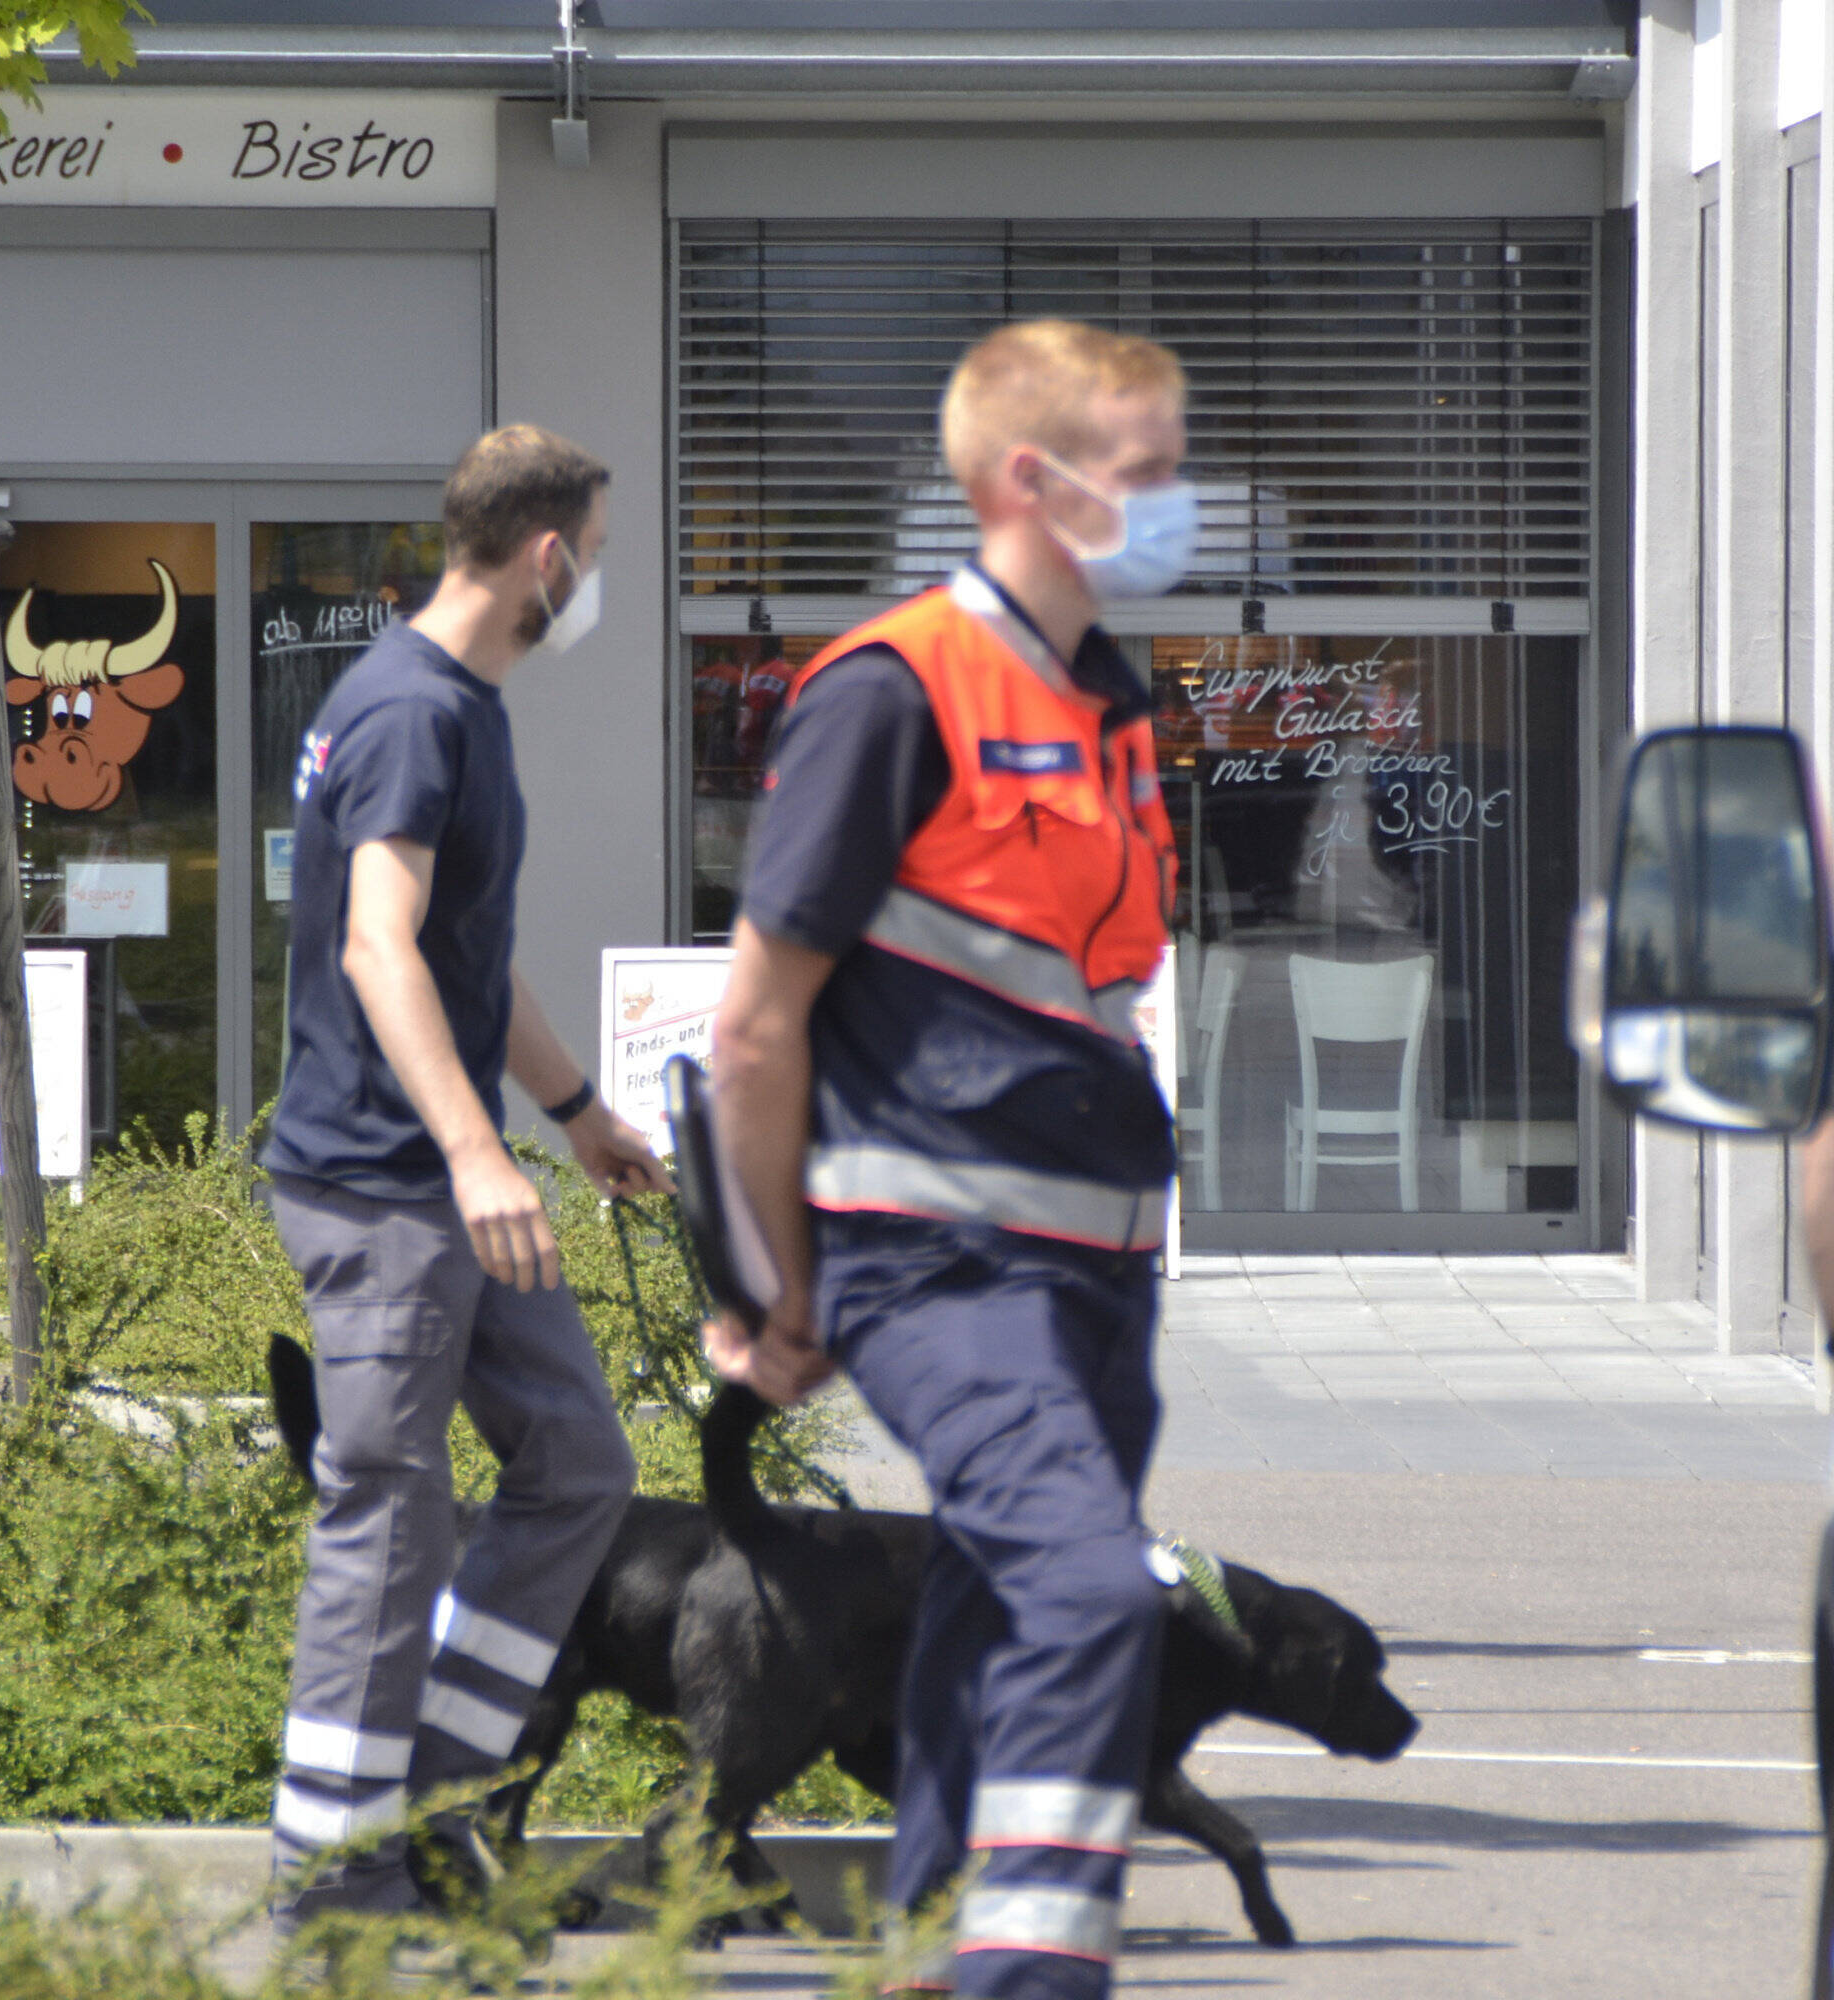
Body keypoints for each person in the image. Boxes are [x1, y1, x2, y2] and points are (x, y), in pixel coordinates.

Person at [701, 318, 1191, 2000]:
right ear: (1027, 482)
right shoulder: (895, 690)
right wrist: (771, 1287)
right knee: (1088, 1595)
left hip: (1094, 1271)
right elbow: (755, 1029)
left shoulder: (1111, 711)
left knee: (994, 1611)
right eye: (1152, 471)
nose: (1182, 502)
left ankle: (921, 1949)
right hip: (941, 1258)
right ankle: (1023, 1977)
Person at [258, 424, 670, 1923]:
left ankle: (436, 1796)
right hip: (384, 1192)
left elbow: (461, 958)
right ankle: (328, 1875)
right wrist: (473, 1148)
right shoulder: (414, 716)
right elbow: (378, 944)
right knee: (387, 1515)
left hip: (441, 1183)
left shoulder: (461, 705)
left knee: (577, 1463)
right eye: (600, 558)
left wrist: (570, 1111)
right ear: (547, 556)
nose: (597, 584)